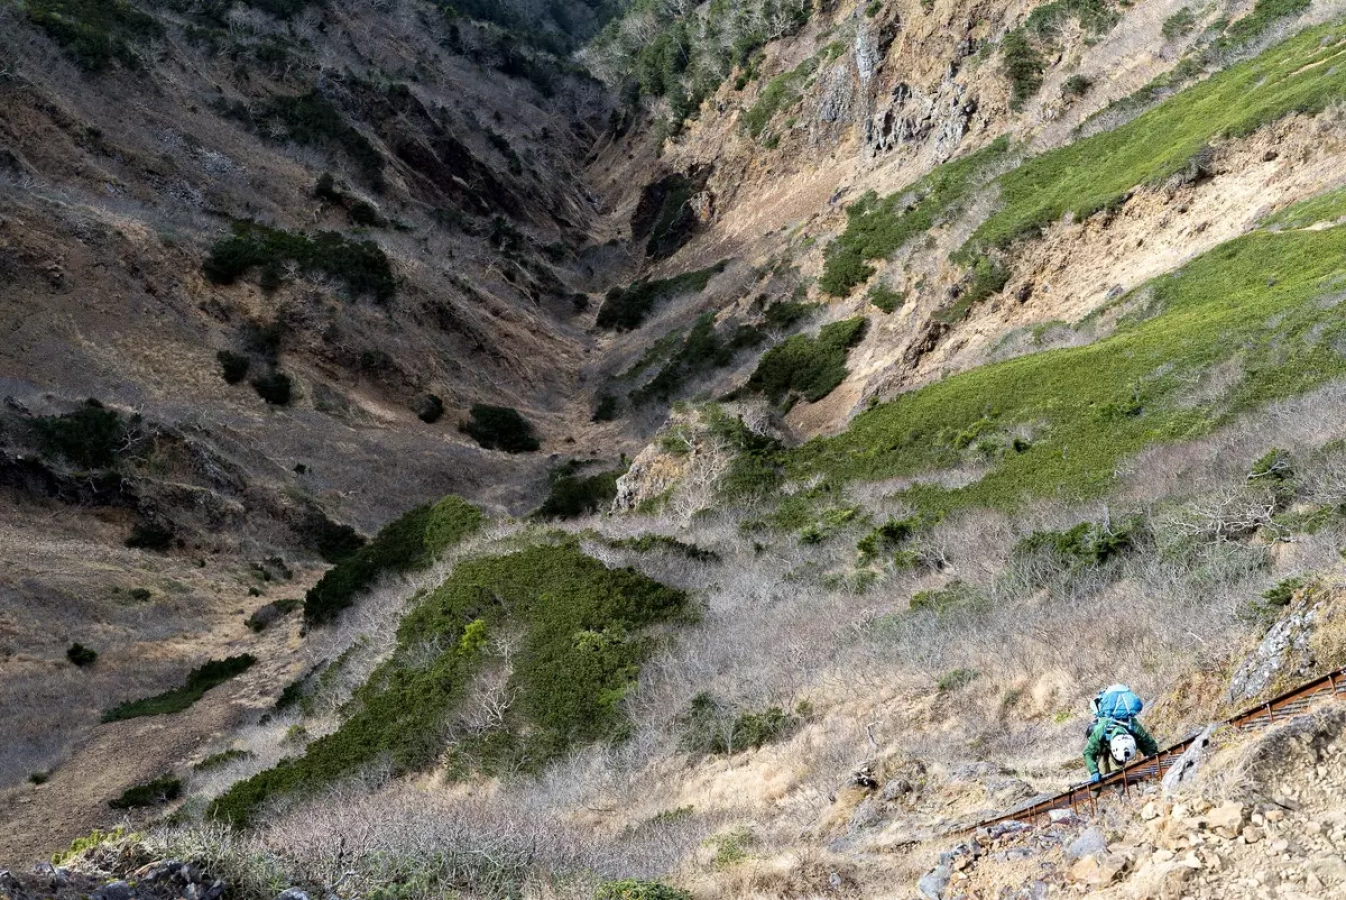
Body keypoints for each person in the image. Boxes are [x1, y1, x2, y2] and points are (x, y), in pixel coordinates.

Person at [1083, 684, 1159, 782]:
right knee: (1101, 768)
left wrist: (1152, 756)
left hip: (1112, 743)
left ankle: (1117, 783)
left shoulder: (1134, 727)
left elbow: (1148, 744)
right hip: (1103, 744)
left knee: (1116, 772)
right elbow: (1088, 752)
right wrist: (1094, 771)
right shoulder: (1101, 730)